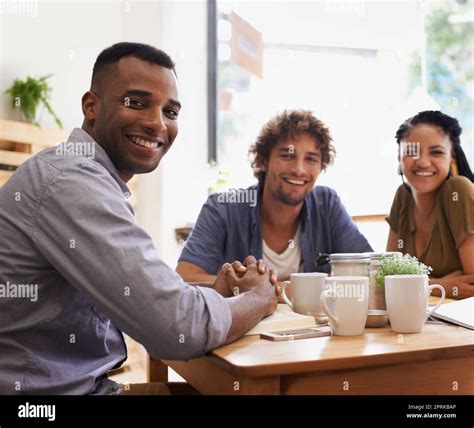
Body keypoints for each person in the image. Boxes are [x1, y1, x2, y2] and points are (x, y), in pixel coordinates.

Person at [0, 42, 277, 395]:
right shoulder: (71, 181)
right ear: (91, 106)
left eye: (171, 112)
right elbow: (177, 328)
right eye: (137, 102)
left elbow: (146, 295)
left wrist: (216, 293)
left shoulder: (87, 177)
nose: (156, 123)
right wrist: (259, 297)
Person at [177, 110, 372, 284]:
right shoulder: (223, 208)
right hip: (246, 325)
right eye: (287, 156)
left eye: (311, 159)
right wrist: (251, 289)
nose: (299, 169)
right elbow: (186, 277)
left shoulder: (327, 205)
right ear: (263, 161)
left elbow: (369, 268)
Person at [386, 110, 474, 299]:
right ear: (399, 157)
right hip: (420, 320)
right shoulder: (403, 196)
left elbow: (471, 285)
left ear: (452, 158)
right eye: (412, 152)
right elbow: (386, 279)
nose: (423, 162)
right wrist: (444, 284)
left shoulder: (458, 191)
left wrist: (418, 283)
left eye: (436, 152)